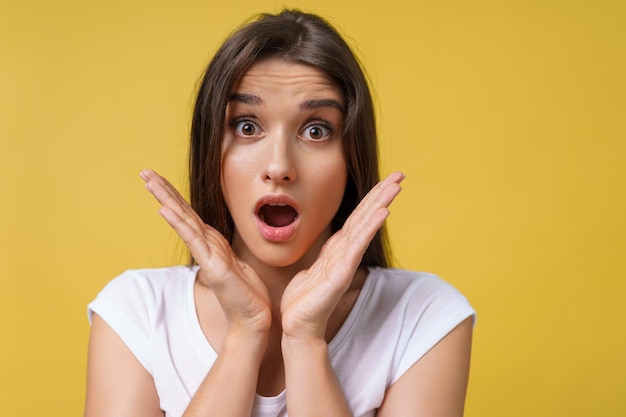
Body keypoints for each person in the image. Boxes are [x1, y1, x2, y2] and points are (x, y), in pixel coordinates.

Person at [85, 9, 475, 417]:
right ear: (209, 150)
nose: (279, 166)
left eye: (316, 130)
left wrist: (306, 340)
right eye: (248, 126)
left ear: (352, 159)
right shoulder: (138, 311)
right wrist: (244, 333)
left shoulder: (424, 314)